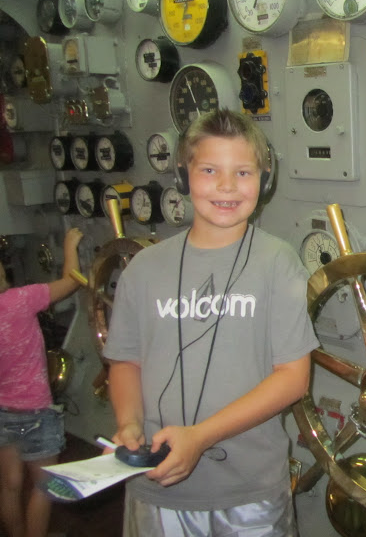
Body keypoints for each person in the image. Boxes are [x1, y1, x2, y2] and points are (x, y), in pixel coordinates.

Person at [103, 109, 318, 537]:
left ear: (265, 181)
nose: (226, 186)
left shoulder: (278, 262)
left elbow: (293, 378)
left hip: (248, 494)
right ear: (183, 177)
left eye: (243, 172)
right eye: (209, 170)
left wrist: (200, 436)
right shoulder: (144, 269)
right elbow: (125, 361)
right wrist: (128, 423)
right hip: (155, 482)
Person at [0, 227, 84, 537]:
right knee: (44, 486)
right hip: (37, 411)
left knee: (9, 485)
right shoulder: (20, 300)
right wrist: (70, 243)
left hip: (2, 412)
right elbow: (72, 280)